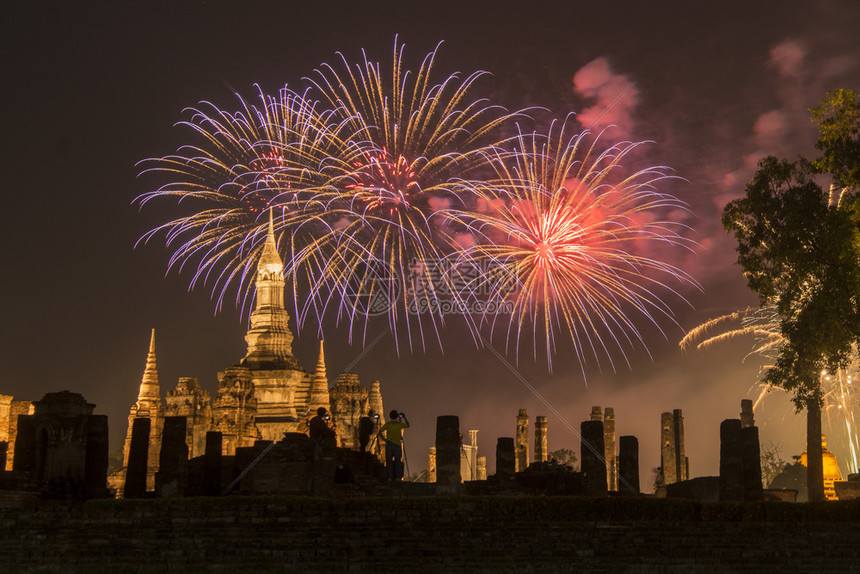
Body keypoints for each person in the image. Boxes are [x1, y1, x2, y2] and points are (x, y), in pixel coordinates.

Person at [378, 409, 409, 481]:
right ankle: (398, 478)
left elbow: (379, 431)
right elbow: (408, 425)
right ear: (396, 416)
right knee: (398, 462)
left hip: (389, 444)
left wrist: (384, 439)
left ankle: (389, 477)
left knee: (389, 462)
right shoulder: (398, 424)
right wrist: (404, 417)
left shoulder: (388, 424)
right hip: (397, 445)